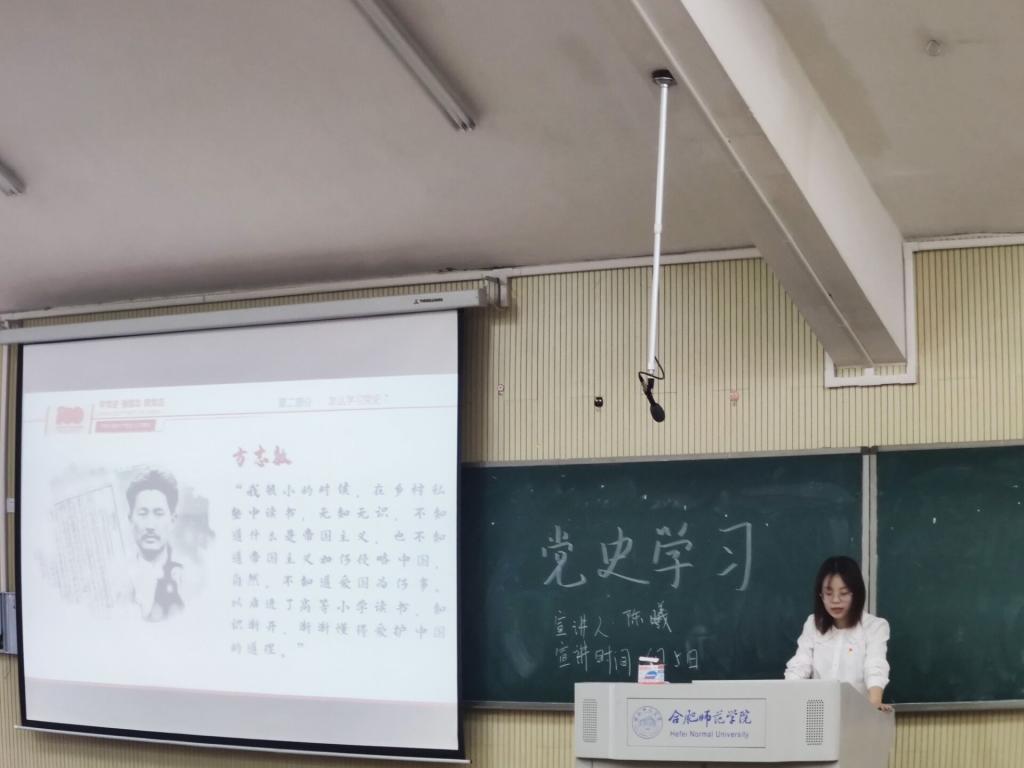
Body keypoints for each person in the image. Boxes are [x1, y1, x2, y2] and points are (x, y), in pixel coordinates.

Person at [784, 555, 892, 712]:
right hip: (817, 714)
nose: (835, 600)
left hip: (857, 713)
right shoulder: (813, 624)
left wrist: (875, 703)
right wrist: (785, 697)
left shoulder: (874, 627)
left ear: (856, 594)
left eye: (844, 593)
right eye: (828, 593)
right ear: (820, 595)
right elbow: (800, 665)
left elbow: (875, 665)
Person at [125, 468, 185, 622]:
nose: (150, 525)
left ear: (172, 520)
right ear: (130, 519)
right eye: (143, 513)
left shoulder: (186, 581)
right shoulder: (120, 579)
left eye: (158, 514)